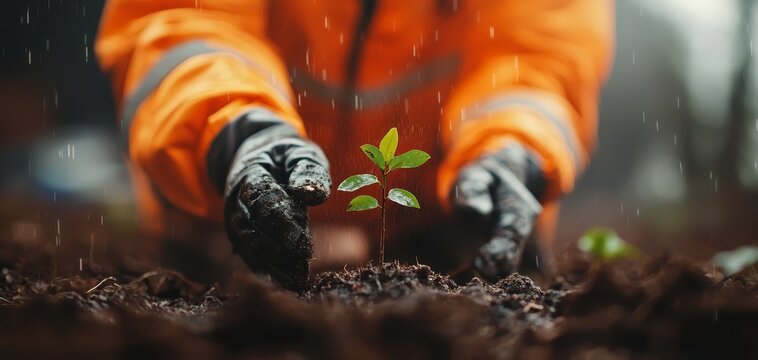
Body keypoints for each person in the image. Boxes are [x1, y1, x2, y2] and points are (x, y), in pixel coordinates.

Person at [96, 0, 613, 291]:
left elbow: (536, 64)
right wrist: (235, 130)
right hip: (218, 238)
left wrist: (510, 150)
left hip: (439, 245)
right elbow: (179, 22)